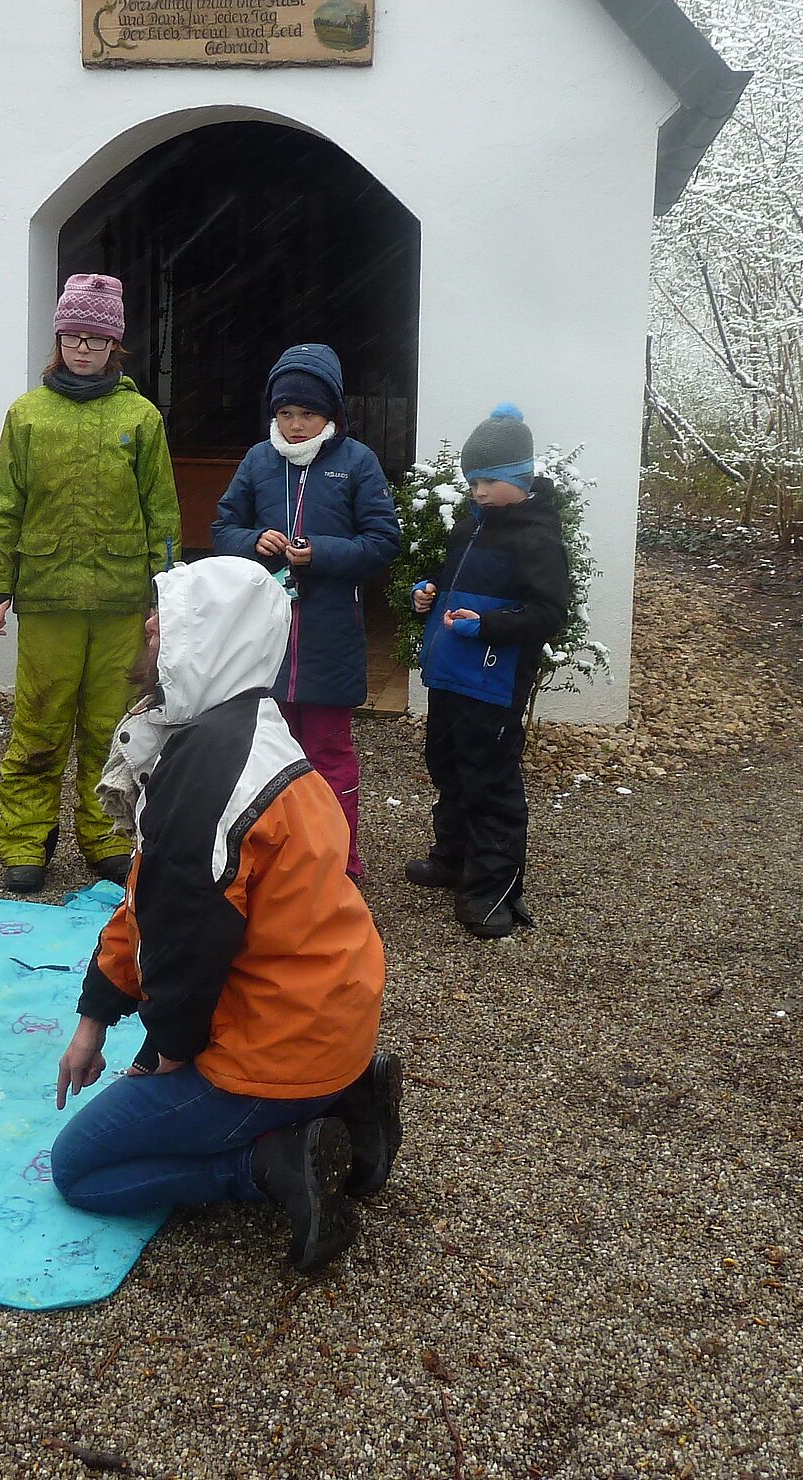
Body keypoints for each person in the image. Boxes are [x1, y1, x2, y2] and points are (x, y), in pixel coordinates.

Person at [50, 556, 401, 1275]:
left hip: (278, 1049)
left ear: (208, 641)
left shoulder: (209, 769)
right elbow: (149, 904)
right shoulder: (250, 726)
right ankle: (351, 1095)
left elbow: (186, 943)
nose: (148, 627)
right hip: (335, 1021)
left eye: (169, 618)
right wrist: (96, 1015)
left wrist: (165, 1051)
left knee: (79, 1170)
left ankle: (272, 1164)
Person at [0, 272, 182, 895]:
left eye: (96, 339)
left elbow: (163, 508)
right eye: (73, 336)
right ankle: (24, 840)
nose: (83, 348)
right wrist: (0, 582)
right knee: (39, 723)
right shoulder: (27, 416)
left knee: (110, 727)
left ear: (114, 346)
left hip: (122, 598)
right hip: (47, 598)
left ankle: (105, 837)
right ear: (58, 339)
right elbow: (4, 502)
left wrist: (165, 588)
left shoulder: (140, 418)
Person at [210, 343, 401, 879]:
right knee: (268, 751)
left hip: (329, 634)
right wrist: (255, 541)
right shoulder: (258, 460)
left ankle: (337, 862)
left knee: (328, 751)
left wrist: (322, 552)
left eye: (308, 413)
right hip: (264, 637)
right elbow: (222, 528)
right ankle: (278, 860)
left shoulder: (356, 461)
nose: (295, 425)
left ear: (332, 415)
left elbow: (383, 541)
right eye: (286, 412)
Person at [404, 404, 573, 939]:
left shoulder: (537, 537)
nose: (476, 490)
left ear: (519, 479)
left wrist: (488, 626)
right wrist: (426, 593)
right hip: (452, 676)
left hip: (495, 684)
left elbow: (549, 614)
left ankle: (493, 890)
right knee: (449, 768)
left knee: (490, 781)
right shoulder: (471, 527)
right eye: (472, 479)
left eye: (488, 480)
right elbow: (449, 584)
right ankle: (453, 860)